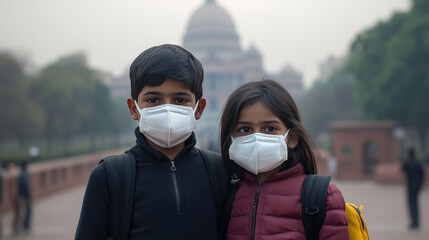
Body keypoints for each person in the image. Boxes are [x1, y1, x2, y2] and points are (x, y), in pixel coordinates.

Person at [75, 44, 228, 239]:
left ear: (199, 108)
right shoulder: (109, 177)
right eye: (153, 100)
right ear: (133, 108)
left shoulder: (220, 172)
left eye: (180, 100)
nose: (167, 109)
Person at [219, 79, 349, 240]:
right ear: (231, 139)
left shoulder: (322, 197)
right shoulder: (224, 194)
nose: (257, 137)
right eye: (245, 129)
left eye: (270, 128)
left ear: (292, 138)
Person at [401, 148, 424, 229]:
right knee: (416, 203)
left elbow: (402, 169)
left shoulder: (408, 162)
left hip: (410, 186)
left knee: (411, 204)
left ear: (408, 154)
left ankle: (413, 222)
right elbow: (422, 173)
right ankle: (417, 221)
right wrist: (421, 184)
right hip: (417, 185)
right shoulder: (418, 163)